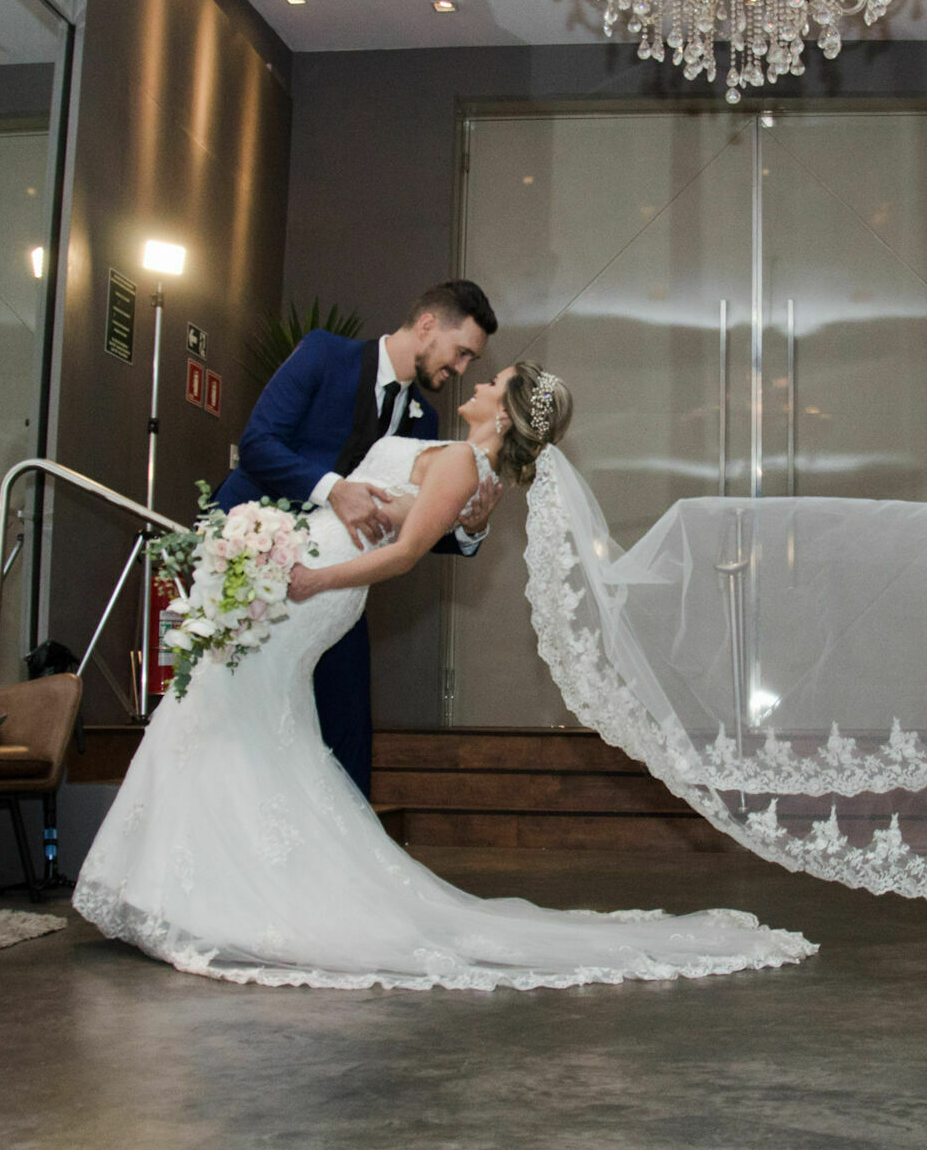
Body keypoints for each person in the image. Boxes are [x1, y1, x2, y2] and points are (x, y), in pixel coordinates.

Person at [75, 361, 817, 989]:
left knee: (223, 709)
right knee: (228, 712)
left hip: (314, 586)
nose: (478, 377)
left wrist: (310, 580)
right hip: (296, 572)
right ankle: (187, 886)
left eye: (493, 379)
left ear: (505, 409)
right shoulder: (458, 460)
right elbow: (402, 513)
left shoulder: (466, 464)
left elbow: (401, 556)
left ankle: (198, 894)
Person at [212, 281, 501, 794]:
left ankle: (340, 859)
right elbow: (258, 443)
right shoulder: (326, 354)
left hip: (330, 584)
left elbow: (414, 526)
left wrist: (469, 531)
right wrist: (334, 490)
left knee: (347, 719)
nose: (460, 370)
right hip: (249, 553)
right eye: (461, 354)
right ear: (428, 325)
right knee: (234, 703)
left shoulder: (424, 420)